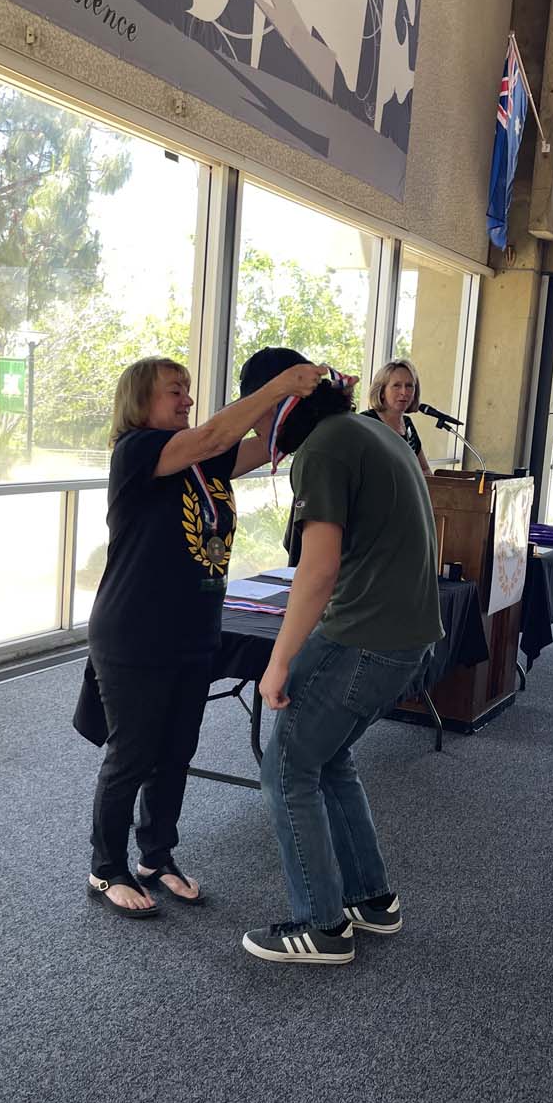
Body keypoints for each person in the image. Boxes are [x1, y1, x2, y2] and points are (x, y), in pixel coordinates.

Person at [86, 354, 327, 919]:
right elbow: (217, 433)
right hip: (135, 631)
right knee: (133, 754)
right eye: (176, 391)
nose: (188, 401)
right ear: (141, 401)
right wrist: (276, 386)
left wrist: (308, 403)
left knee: (175, 753)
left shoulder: (203, 465)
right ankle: (105, 866)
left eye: (189, 391)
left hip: (194, 632)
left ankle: (155, 856)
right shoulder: (139, 452)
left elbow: (266, 447)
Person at [237, 348, 444, 966]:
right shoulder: (367, 432)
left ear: (281, 404)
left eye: (256, 412)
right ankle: (370, 898)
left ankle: (321, 926)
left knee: (285, 768)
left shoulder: (325, 449)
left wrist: (278, 663)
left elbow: (319, 567)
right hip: (407, 636)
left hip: (365, 637)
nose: (251, 426)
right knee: (328, 759)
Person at [363, 358, 433, 476]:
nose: (404, 392)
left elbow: (425, 470)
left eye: (409, 386)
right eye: (397, 385)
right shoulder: (366, 422)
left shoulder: (407, 424)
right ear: (381, 391)